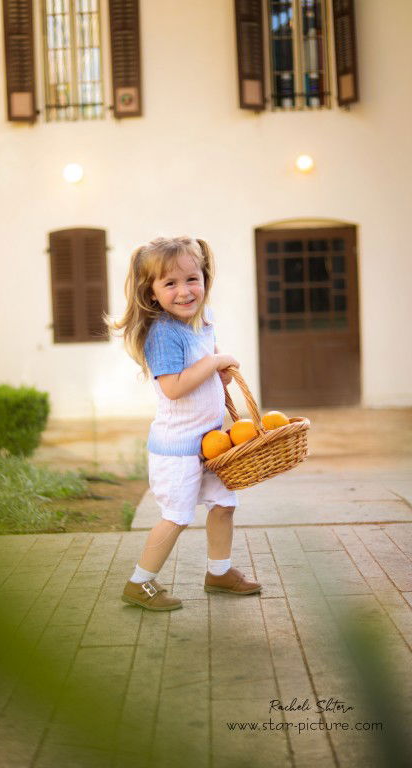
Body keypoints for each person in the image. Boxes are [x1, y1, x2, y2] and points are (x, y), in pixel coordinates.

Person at [106, 236, 262, 611]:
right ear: (152, 292)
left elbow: (202, 376)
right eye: (170, 284)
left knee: (224, 504)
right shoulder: (162, 333)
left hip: (210, 442)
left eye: (191, 279)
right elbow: (174, 388)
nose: (184, 291)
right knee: (176, 516)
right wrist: (213, 362)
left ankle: (219, 571)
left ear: (205, 278)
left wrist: (217, 375)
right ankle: (139, 581)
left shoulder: (202, 323)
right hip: (176, 449)